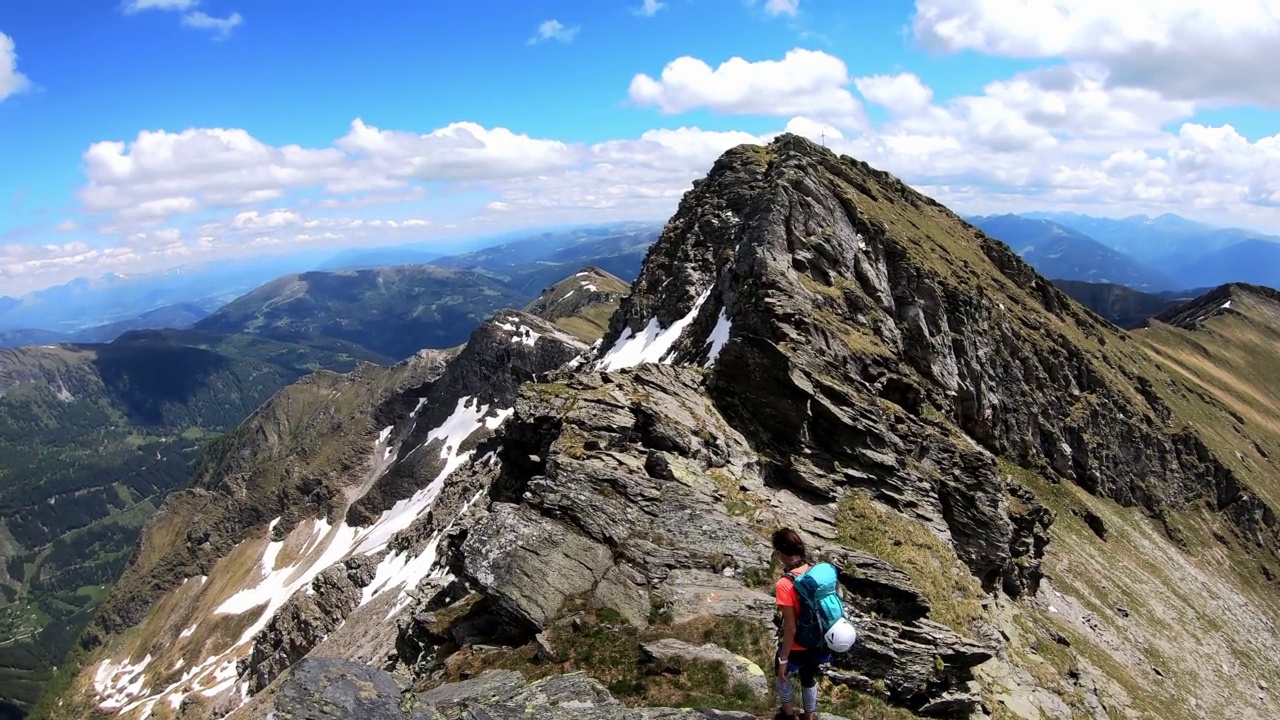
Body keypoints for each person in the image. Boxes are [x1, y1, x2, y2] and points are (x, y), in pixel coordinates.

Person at [772, 528, 830, 720]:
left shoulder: (785, 583)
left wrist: (784, 660)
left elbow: (790, 628)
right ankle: (810, 716)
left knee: (782, 673)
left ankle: (788, 714)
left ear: (781, 553)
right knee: (808, 677)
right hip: (820, 640)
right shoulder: (815, 572)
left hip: (798, 643)